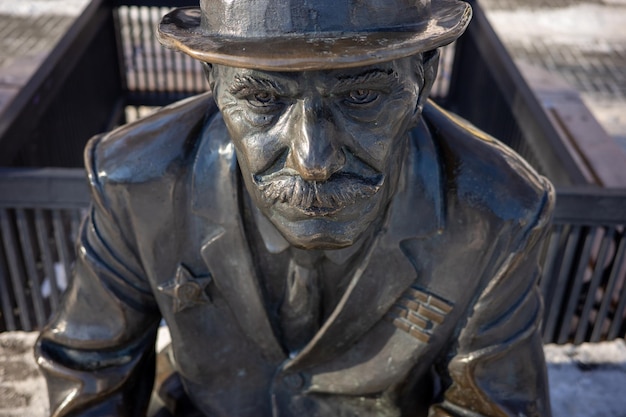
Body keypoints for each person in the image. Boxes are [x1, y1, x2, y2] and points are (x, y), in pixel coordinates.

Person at [35, 0, 554, 416]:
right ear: (214, 84)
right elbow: (89, 369)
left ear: (423, 79)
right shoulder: (134, 180)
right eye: (263, 100)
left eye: (363, 98)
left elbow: (494, 405)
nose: (314, 159)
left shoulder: (500, 212)